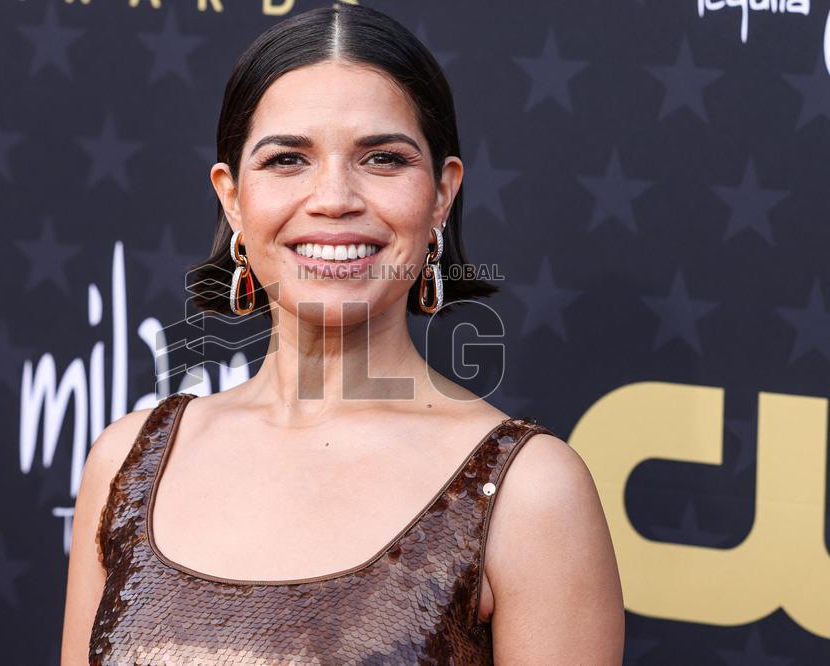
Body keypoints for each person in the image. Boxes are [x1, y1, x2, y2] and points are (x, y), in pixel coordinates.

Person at [61, 4, 624, 664]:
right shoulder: (126, 464)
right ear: (233, 197)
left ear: (441, 194)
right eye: (287, 160)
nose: (333, 198)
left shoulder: (531, 494)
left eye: (382, 158)